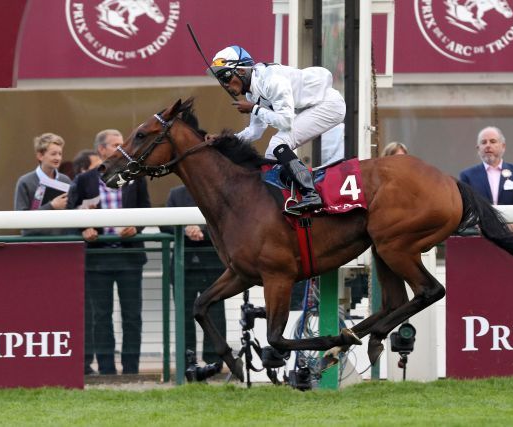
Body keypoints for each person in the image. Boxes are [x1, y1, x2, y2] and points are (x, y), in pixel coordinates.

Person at [209, 45, 346, 213]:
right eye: (220, 79)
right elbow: (255, 131)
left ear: (242, 71)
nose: (225, 84)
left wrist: (254, 109)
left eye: (225, 76)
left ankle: (311, 194)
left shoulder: (271, 81)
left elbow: (286, 122)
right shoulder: (252, 94)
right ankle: (292, 195)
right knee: (271, 153)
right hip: (312, 107)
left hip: (328, 105)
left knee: (278, 144)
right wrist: (223, 141)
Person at [67, 129, 151, 375]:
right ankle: (106, 370)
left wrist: (136, 227)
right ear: (101, 150)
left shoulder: (133, 175)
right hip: (98, 256)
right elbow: (72, 210)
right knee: (101, 316)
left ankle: (131, 370)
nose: (121, 147)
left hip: (129, 256)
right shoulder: (85, 180)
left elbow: (146, 208)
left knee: (132, 316)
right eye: (116, 144)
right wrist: (86, 228)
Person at [161, 185, 227, 373]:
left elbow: (224, 220)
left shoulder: (214, 190)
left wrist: (202, 230)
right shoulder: (176, 194)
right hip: (184, 267)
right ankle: (186, 361)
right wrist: (185, 230)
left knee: (215, 314)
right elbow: (164, 223)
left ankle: (215, 360)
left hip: (212, 264)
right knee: (184, 314)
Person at [459, 126, 513, 232]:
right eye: (484, 142)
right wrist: (476, 220)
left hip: (512, 234)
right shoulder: (467, 176)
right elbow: (466, 206)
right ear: (478, 149)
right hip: (479, 235)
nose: (488, 145)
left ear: (503, 146)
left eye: (493, 141)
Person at [14, 132, 72, 236]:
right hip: (34, 243)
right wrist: (51, 206)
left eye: (60, 154)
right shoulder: (25, 182)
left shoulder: (66, 180)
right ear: (40, 156)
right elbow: (21, 219)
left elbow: (72, 211)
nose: (58, 158)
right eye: (53, 154)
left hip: (61, 242)